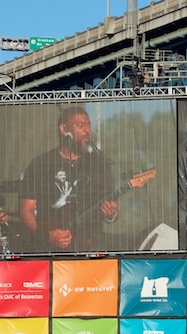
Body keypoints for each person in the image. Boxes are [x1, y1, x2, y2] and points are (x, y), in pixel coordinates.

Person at [19, 106, 118, 252]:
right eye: (80, 125)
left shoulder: (99, 165)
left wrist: (112, 214)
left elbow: (112, 210)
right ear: (64, 129)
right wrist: (47, 236)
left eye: (88, 125)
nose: (87, 130)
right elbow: (26, 211)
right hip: (51, 251)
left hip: (91, 249)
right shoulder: (41, 164)